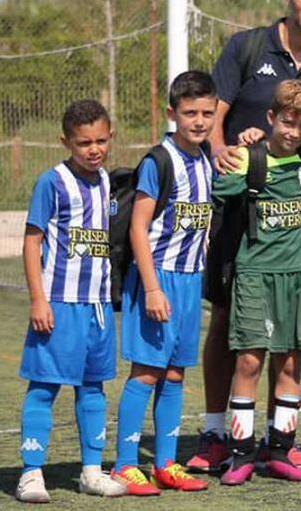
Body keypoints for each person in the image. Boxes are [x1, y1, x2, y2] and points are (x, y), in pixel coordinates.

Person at [190, 0, 301, 473]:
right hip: (240, 209)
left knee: (287, 340)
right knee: (228, 324)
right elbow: (213, 110)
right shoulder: (248, 47)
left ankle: (279, 440)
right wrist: (222, 151)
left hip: (296, 221)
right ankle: (218, 433)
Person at [211, 80, 301, 486]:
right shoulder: (248, 159)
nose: (294, 132)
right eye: (287, 122)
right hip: (254, 274)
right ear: (271, 117)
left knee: (290, 360)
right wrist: (232, 154)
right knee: (250, 360)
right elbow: (218, 192)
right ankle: (239, 453)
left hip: (299, 275)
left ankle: (281, 448)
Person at [110, 72, 217, 495]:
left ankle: (166, 464)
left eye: (207, 112)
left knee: (174, 374)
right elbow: (139, 229)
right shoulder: (159, 161)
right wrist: (152, 288)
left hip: (190, 281)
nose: (199, 121)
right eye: (190, 113)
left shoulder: (206, 155)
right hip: (157, 280)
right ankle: (123, 464)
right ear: (172, 113)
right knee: (147, 373)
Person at [15, 100, 127, 502]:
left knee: (93, 388)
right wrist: (37, 300)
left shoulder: (106, 182)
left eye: (100, 140)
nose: (93, 149)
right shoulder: (52, 182)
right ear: (66, 142)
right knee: (44, 387)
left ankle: (91, 471)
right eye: (83, 143)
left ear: (110, 136)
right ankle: (31, 473)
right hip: (59, 303)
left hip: (96, 306)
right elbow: (32, 241)